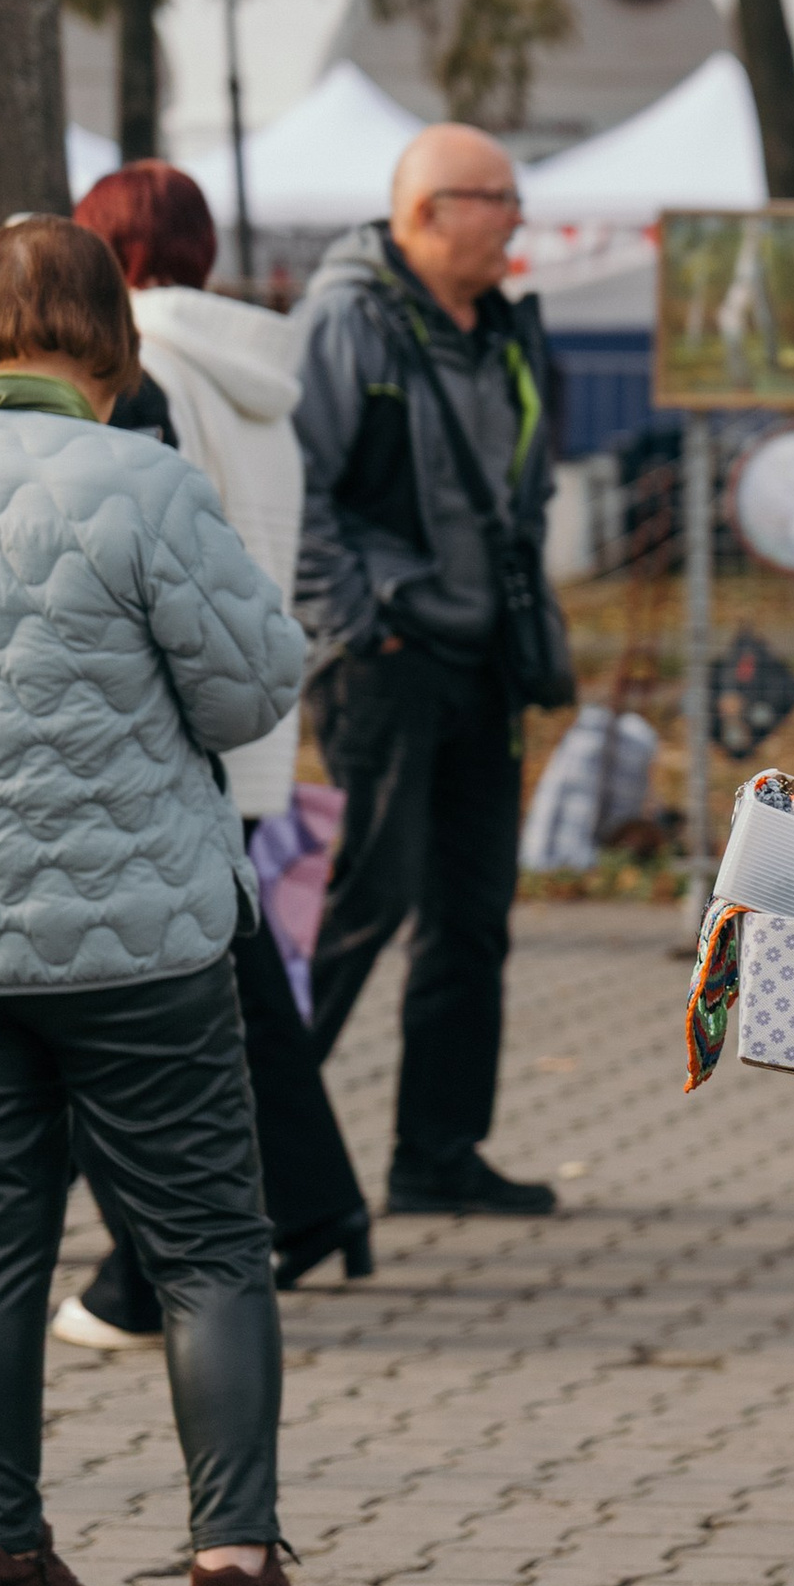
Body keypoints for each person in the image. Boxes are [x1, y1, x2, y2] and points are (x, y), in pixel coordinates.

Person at [0, 217, 334, 1586]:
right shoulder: (142, 481)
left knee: (0, 1247)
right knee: (205, 1246)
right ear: (116, 347)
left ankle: (8, 1573)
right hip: (140, 942)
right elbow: (252, 690)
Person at [53, 164, 370, 1345]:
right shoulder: (254, 371)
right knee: (241, 992)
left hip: (164, 738)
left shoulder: (146, 373)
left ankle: (148, 1270)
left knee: (146, 1008)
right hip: (245, 721)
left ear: (110, 252)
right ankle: (321, 1205)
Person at [293, 125, 573, 1218]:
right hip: (388, 663)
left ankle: (436, 1155)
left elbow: (523, 491)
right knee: (368, 901)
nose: (515, 220)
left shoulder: (501, 331)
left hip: (483, 661)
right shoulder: (346, 321)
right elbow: (297, 491)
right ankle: (249, 1150)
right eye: (495, 199)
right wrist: (361, 625)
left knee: (472, 913)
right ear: (424, 212)